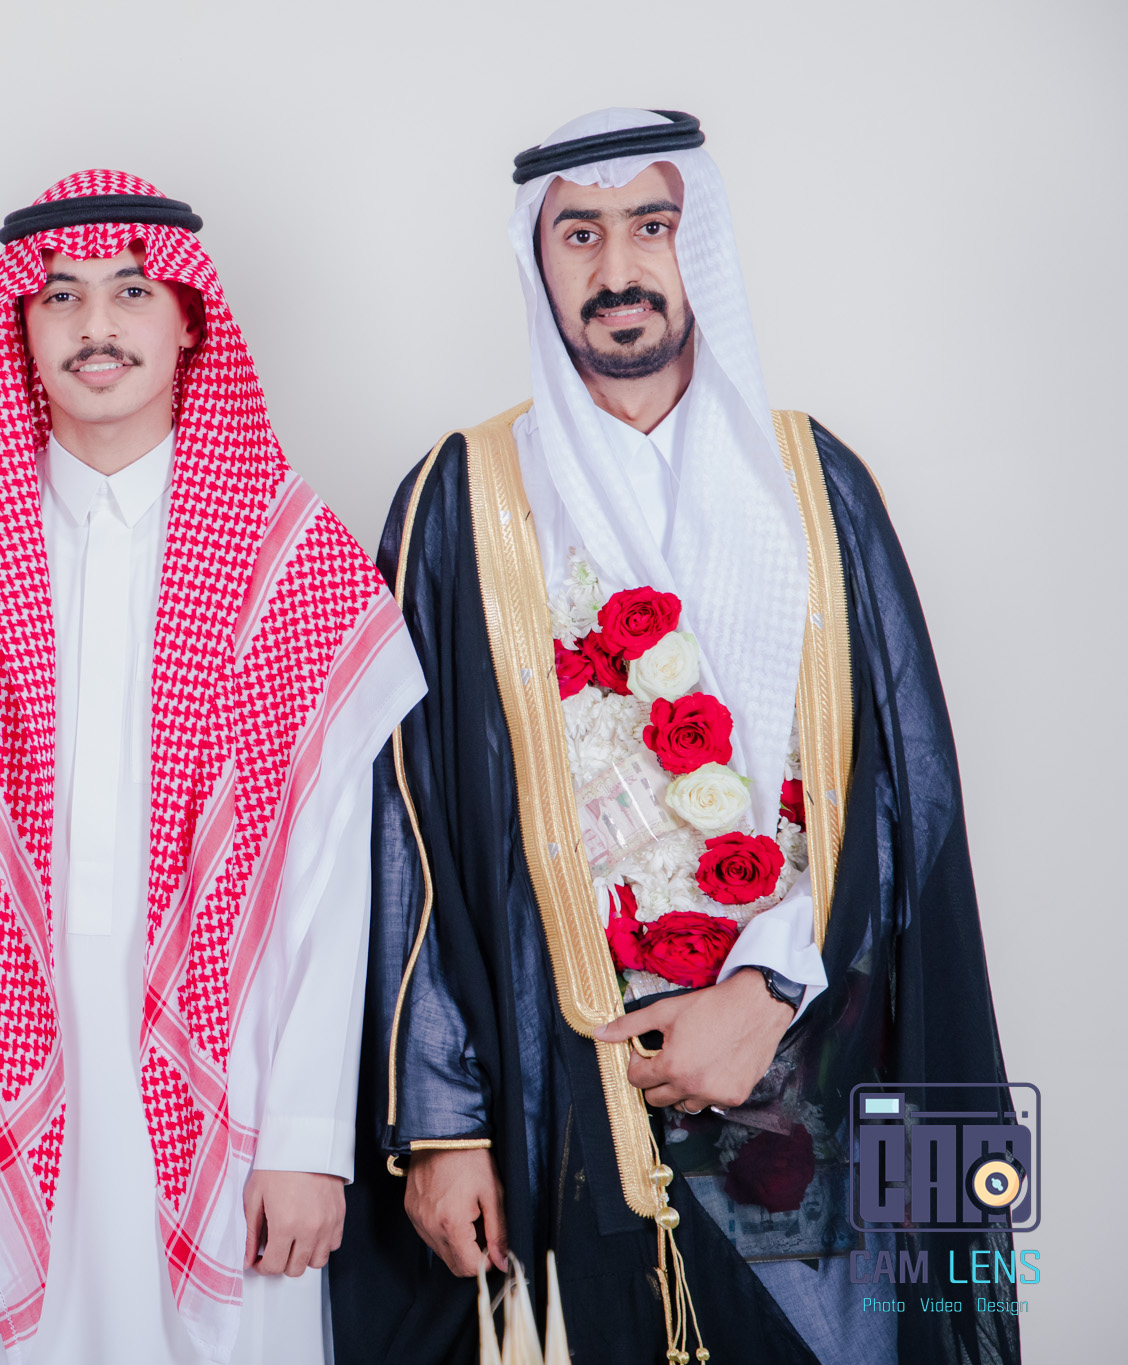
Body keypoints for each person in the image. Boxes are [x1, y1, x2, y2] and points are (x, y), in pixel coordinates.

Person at [336, 109, 1019, 1365]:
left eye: (648, 227)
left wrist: (767, 990)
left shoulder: (815, 484)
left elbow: (900, 803)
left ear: (692, 244)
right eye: (578, 235)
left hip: (817, 1077)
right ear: (536, 259)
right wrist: (440, 1126)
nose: (616, 269)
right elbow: (404, 830)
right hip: (568, 1097)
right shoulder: (459, 500)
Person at [0, 172, 425, 1365]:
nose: (96, 325)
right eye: (60, 296)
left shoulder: (289, 553)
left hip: (238, 1080)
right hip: (4, 1075)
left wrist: (306, 1136)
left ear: (187, 322)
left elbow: (335, 870)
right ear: (20, 332)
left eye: (130, 292)